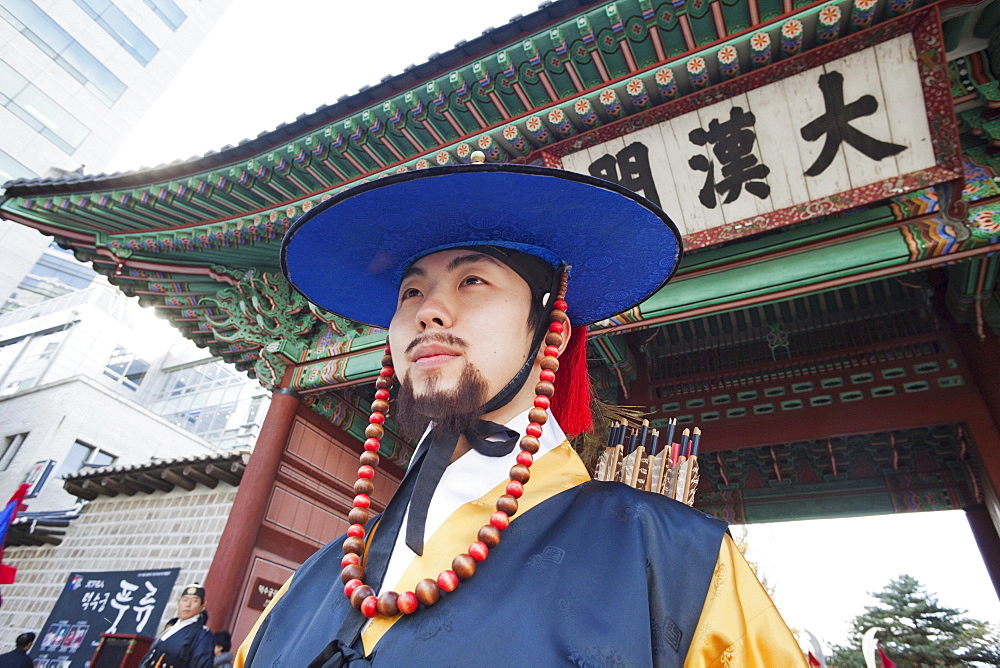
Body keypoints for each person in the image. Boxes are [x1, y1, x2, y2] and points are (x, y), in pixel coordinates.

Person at [237, 158, 807, 666]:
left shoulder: (674, 560)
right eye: (410, 293)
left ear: (548, 321)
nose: (430, 311)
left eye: (473, 281)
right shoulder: (311, 583)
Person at [140, 584, 214, 668]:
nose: (188, 604)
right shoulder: (169, 630)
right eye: (185, 600)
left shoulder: (202, 635)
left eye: (194, 601)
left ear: (202, 606)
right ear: (178, 603)